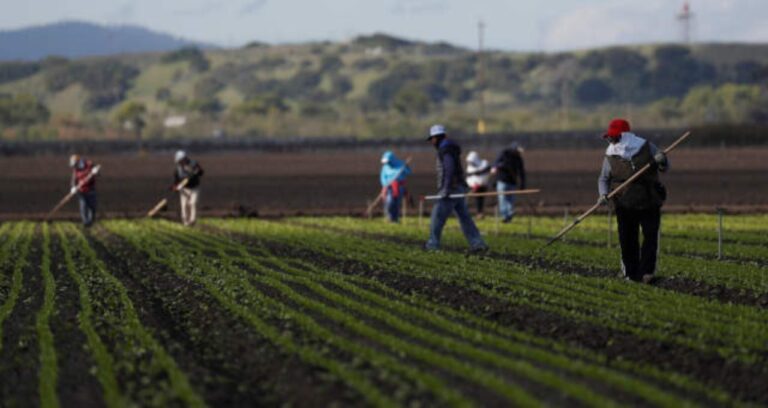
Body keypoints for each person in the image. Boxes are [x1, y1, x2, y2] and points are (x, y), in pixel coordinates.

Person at [597, 118, 669, 284]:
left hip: (649, 199)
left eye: (614, 137)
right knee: (627, 238)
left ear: (626, 136)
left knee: (650, 236)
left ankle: (646, 273)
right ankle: (630, 273)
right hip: (623, 202)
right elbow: (603, 178)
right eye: (610, 137)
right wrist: (603, 194)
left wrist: (662, 160)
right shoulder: (610, 155)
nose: (611, 140)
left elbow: (664, 167)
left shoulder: (647, 147)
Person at [425, 124, 488, 252]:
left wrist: (446, 188)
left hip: (451, 188)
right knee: (465, 218)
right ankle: (478, 243)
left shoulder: (445, 149)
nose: (432, 141)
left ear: (437, 138)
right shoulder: (451, 148)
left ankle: (432, 244)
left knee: (437, 216)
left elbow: (449, 168)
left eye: (432, 138)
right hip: (459, 187)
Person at [491, 142, 526, 223]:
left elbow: (521, 172)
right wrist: (496, 167)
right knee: (502, 198)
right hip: (502, 181)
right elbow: (496, 163)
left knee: (511, 199)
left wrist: (522, 183)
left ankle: (509, 215)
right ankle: (505, 216)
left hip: (512, 182)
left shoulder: (518, 158)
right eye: (517, 151)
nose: (518, 153)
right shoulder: (504, 153)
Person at [172, 150, 204, 226]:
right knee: (184, 205)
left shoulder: (193, 164)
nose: (180, 163)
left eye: (181, 161)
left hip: (194, 188)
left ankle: (192, 220)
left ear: (184, 159)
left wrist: (197, 171)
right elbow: (176, 180)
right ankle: (185, 222)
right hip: (184, 189)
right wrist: (175, 187)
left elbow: (201, 172)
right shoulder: (178, 169)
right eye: (179, 161)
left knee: (193, 203)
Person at [379, 150, 412, 223]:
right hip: (388, 187)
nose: (387, 163)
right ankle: (389, 217)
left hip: (399, 187)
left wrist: (406, 167)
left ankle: (395, 219)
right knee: (389, 202)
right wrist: (385, 185)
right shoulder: (385, 167)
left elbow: (408, 172)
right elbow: (383, 177)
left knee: (396, 203)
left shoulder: (401, 164)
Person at [69, 154, 100, 227]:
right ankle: (85, 222)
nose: (74, 166)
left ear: (78, 162)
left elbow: (98, 173)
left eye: (75, 164)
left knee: (92, 207)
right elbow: (74, 179)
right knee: (83, 206)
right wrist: (73, 187)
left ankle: (91, 221)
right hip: (81, 191)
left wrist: (96, 172)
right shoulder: (76, 169)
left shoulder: (89, 164)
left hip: (91, 190)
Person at [465, 151, 491, 217]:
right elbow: (469, 177)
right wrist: (473, 185)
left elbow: (486, 171)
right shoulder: (470, 167)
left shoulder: (484, 163)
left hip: (483, 185)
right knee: (476, 199)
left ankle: (480, 213)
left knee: (480, 199)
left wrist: (479, 180)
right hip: (473, 186)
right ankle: (477, 213)